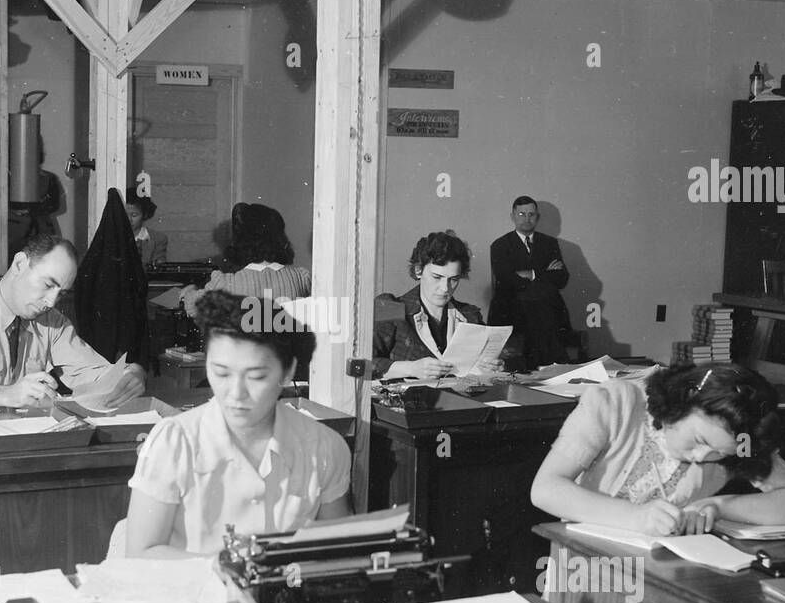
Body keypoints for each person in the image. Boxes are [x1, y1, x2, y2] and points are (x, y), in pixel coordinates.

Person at [120, 290, 351, 558]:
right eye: (221, 373)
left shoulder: (323, 447)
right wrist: (230, 571)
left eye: (255, 376)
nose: (235, 392)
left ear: (287, 372)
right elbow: (141, 553)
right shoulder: (175, 442)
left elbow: (336, 551)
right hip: (192, 596)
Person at [531, 362, 785, 536]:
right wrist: (636, 517)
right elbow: (545, 489)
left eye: (721, 454)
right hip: (584, 568)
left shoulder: (738, 438)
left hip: (660, 574)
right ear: (682, 404)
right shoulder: (614, 402)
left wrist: (718, 506)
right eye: (701, 440)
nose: (703, 458)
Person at [0, 233, 146, 408]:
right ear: (19, 263)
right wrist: (1, 394)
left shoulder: (53, 322)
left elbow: (93, 373)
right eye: (48, 285)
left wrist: (130, 374)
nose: (52, 301)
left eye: (61, 293)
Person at [373, 231, 495, 380]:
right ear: (418, 271)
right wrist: (410, 368)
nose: (445, 288)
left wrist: (491, 366)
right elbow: (365, 362)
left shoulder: (470, 315)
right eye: (437, 277)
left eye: (454, 279)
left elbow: (483, 365)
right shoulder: (389, 307)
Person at [490, 196, 574, 368]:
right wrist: (545, 275)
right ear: (512, 216)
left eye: (531, 214)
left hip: (546, 308)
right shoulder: (500, 245)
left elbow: (562, 278)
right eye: (521, 214)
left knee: (544, 309)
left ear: (538, 217)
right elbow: (506, 280)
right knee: (538, 312)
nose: (526, 219)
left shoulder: (549, 243)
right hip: (512, 309)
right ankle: (552, 364)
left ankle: (551, 368)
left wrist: (532, 274)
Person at [181, 203, 311, 313]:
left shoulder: (225, 284)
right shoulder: (301, 278)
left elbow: (192, 305)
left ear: (240, 241)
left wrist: (190, 290)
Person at [126, 189, 168, 269]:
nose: (129, 219)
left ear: (145, 215)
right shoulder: (112, 237)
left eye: (134, 215)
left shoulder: (158, 239)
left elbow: (158, 268)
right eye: (124, 214)